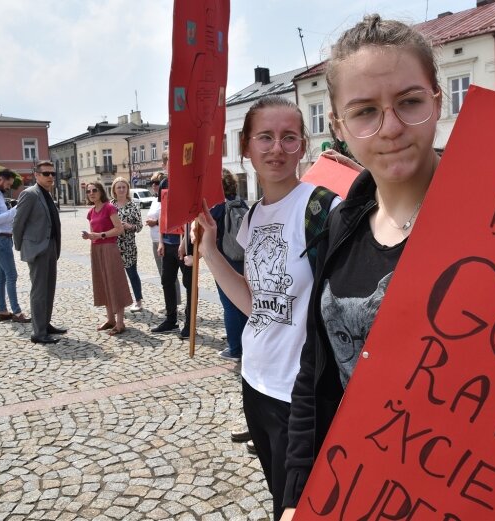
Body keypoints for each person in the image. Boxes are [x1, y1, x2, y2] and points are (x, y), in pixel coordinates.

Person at [280, 16, 443, 519]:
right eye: (365, 111)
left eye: (410, 102)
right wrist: (296, 494)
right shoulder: (341, 226)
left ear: (438, 100)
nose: (390, 127)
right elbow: (315, 371)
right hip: (367, 488)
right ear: (338, 126)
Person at [196, 95, 339, 520]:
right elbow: (255, 303)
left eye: (289, 137)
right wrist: (208, 249)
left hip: (300, 393)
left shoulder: (323, 208)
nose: (277, 148)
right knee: (278, 495)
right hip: (255, 381)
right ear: (245, 146)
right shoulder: (254, 215)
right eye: (265, 137)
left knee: (297, 507)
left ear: (304, 145)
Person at [13, 160, 67, 344]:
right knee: (39, 291)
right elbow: (18, 223)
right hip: (37, 248)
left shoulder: (46, 194)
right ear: (36, 175)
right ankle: (38, 332)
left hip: (50, 246)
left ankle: (45, 324)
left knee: (49, 288)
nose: (50, 177)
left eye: (53, 174)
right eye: (46, 173)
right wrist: (21, 246)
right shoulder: (30, 194)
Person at [81, 182, 133, 335]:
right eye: (88, 191)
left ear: (101, 191)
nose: (91, 193)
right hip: (96, 249)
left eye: (94, 190)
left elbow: (119, 229)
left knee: (114, 282)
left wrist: (100, 235)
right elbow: (94, 232)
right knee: (102, 282)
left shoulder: (109, 207)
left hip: (110, 248)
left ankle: (120, 322)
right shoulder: (90, 212)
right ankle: (110, 319)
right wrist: (89, 236)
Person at [0, 168, 30, 323]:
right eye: (8, 184)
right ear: (0, 179)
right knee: (11, 275)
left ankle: (3, 311)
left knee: (2, 277)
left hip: (2, 239)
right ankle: (16, 312)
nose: (9, 188)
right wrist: (17, 209)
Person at [209, 169, 249, 361]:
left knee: (229, 305)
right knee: (244, 301)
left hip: (224, 259)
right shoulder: (240, 202)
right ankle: (246, 344)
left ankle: (234, 349)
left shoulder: (216, 207)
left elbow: (210, 236)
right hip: (244, 258)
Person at [151, 176, 193, 339]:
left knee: (189, 284)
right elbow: (163, 214)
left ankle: (190, 323)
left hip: (185, 244)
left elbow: (189, 217)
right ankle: (171, 320)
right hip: (168, 244)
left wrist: (183, 243)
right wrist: (161, 241)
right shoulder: (165, 183)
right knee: (167, 281)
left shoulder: (185, 181)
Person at [146, 173, 181, 307]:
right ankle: (170, 303)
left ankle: (175, 303)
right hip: (157, 239)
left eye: (156, 182)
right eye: (152, 183)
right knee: (163, 275)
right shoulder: (155, 200)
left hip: (169, 240)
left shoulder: (167, 197)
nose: (154, 185)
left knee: (170, 275)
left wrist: (154, 222)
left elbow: (167, 218)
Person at [111, 176, 144, 312]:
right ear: (114, 190)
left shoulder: (133, 205)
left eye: (124, 187)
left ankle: (138, 301)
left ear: (127, 189)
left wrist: (129, 226)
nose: (121, 189)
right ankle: (118, 302)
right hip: (113, 244)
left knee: (132, 273)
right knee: (115, 276)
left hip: (128, 245)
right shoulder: (110, 205)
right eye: (118, 187)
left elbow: (140, 226)